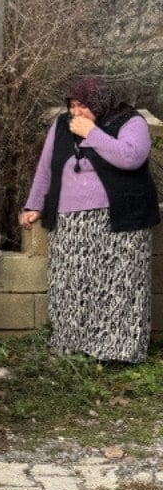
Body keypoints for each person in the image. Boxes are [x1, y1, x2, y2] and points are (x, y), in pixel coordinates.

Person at [18, 77, 159, 363]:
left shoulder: (129, 122)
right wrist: (34, 205)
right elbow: (46, 167)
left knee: (120, 287)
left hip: (121, 219)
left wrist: (92, 132)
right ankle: (74, 345)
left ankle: (118, 352)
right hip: (70, 221)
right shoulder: (60, 126)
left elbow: (131, 157)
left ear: (99, 103)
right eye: (72, 106)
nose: (76, 112)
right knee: (72, 284)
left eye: (83, 106)